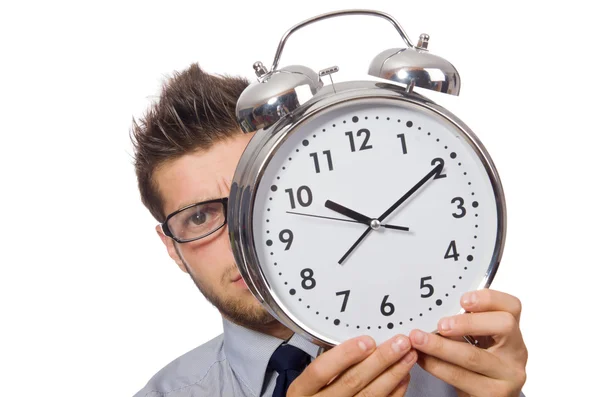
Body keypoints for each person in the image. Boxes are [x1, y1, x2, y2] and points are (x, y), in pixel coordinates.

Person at [131, 63, 528, 397]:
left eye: (255, 204)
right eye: (199, 217)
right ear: (171, 248)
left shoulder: (449, 358)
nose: (241, 240)